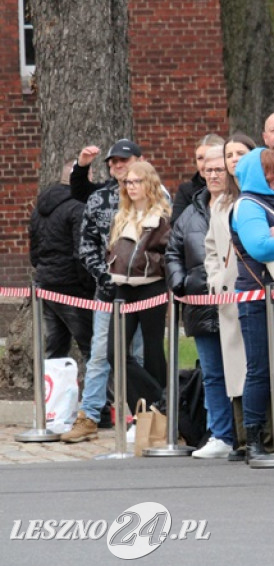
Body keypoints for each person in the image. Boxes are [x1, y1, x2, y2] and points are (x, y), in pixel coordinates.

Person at [62, 139, 146, 443]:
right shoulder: (100, 199)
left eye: (123, 161)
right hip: (108, 292)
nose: (117, 166)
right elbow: (86, 246)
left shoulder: (155, 195)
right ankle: (90, 416)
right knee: (99, 355)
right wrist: (105, 276)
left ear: (139, 160)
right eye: (113, 162)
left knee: (137, 355)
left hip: (143, 291)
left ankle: (144, 414)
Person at [230, 148, 274, 462]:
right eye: (272, 171)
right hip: (258, 297)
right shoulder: (247, 205)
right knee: (259, 369)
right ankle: (255, 439)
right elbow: (260, 246)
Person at [167, 145, 235, 458]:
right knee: (212, 373)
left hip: (235, 301)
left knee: (243, 370)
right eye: (207, 170)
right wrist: (180, 281)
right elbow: (172, 251)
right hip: (199, 303)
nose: (212, 175)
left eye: (219, 169)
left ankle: (249, 432)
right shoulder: (191, 212)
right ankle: (220, 435)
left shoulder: (239, 204)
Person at [204, 133, 254, 461]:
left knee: (260, 363)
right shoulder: (221, 202)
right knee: (235, 365)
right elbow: (211, 247)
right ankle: (243, 435)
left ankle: (267, 431)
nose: (233, 159)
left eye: (240, 153)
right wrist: (215, 278)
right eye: (229, 154)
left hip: (256, 287)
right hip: (228, 293)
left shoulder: (257, 196)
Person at [106, 160, 171, 408]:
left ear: (149, 183)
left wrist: (149, 262)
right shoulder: (122, 216)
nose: (131, 187)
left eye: (137, 181)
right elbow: (111, 249)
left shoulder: (162, 217)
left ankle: (162, 407)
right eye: (127, 182)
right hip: (123, 287)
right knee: (116, 353)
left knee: (153, 350)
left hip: (151, 286)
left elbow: (169, 253)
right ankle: (152, 402)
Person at [29, 159, 94, 360]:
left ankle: (53, 391)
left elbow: (34, 252)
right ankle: (104, 392)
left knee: (55, 349)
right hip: (72, 287)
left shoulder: (39, 209)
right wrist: (88, 286)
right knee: (93, 348)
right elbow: (81, 253)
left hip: (46, 283)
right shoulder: (78, 208)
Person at [171, 134, 224, 225]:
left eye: (209, 157)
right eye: (200, 158)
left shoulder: (234, 188)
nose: (204, 164)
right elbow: (177, 226)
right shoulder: (186, 190)